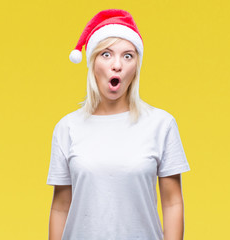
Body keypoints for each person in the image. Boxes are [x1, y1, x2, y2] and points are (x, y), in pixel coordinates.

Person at [46, 9, 191, 240]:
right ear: (92, 62)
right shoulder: (67, 128)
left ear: (136, 67)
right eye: (106, 54)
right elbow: (60, 206)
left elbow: (173, 202)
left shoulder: (161, 124)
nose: (117, 65)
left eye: (128, 56)